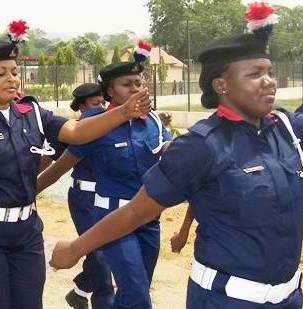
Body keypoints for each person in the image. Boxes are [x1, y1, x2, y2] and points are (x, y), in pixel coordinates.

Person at [50, 3, 303, 308]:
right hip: (227, 300)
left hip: (288, 297)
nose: (269, 81)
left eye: (270, 72)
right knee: (134, 292)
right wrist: (76, 248)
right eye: (255, 74)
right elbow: (136, 211)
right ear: (221, 85)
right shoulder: (202, 145)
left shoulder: (286, 130)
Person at [0, 20, 151, 309]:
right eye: (1, 73)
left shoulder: (31, 113)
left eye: (14, 72)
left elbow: (76, 131)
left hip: (26, 234)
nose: (12, 79)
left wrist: (121, 113)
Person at [40, 42, 172, 308]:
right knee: (136, 296)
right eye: (127, 84)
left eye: (139, 82)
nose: (136, 89)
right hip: (112, 219)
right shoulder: (96, 125)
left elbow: (167, 149)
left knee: (137, 290)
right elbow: (61, 166)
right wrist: (21, 195)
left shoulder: (153, 121)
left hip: (149, 219)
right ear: (110, 91)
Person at [39, 83, 114, 309]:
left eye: (103, 102)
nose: (101, 107)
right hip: (85, 199)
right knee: (99, 254)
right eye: (95, 104)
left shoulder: (112, 126)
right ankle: (104, 301)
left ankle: (80, 290)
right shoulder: (76, 131)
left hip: (110, 200)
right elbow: (52, 161)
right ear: (82, 106)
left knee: (108, 252)